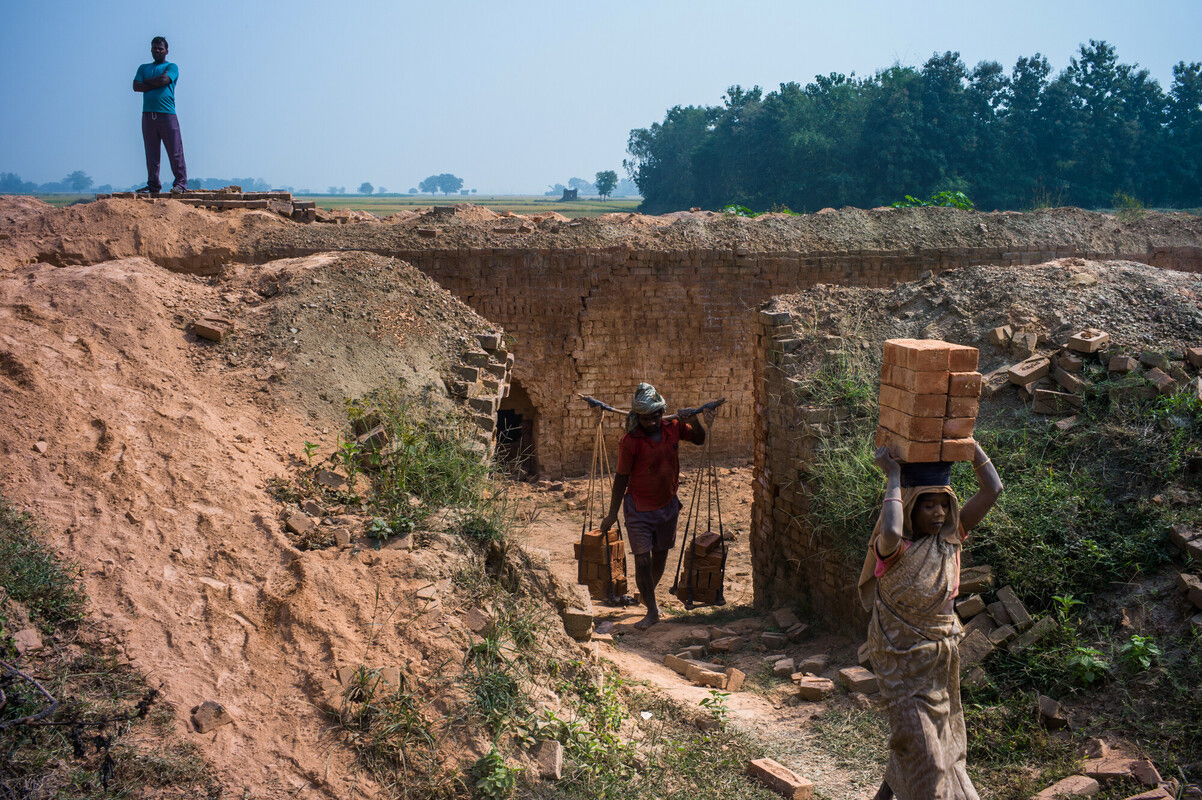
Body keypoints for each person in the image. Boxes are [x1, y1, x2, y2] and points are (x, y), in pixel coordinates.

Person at [857, 443, 1002, 800]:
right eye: (928, 504)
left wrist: (968, 444)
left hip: (938, 662)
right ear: (910, 507)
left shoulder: (951, 539)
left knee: (931, 742)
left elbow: (993, 489)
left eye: (944, 504)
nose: (938, 512)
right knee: (931, 760)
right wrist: (893, 477)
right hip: (899, 659)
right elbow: (890, 531)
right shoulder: (895, 549)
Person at [600, 383, 707, 630]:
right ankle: (652, 610)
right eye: (646, 418)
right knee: (642, 561)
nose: (653, 422)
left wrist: (695, 420)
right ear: (638, 417)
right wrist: (612, 513)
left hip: (667, 506)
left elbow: (700, 439)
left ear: (662, 412)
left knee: (659, 558)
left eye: (656, 416)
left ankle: (647, 594)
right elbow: (621, 478)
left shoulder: (674, 427)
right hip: (638, 508)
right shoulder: (630, 442)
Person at [133, 36, 187, 193]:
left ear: (166, 51)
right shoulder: (143, 68)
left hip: (167, 114)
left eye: (160, 48)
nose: (157, 51)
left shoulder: (172, 66)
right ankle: (153, 185)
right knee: (151, 153)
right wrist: (154, 83)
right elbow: (136, 86)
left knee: (175, 151)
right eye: (154, 48)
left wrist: (146, 83)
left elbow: (165, 80)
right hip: (148, 115)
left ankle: (180, 184)